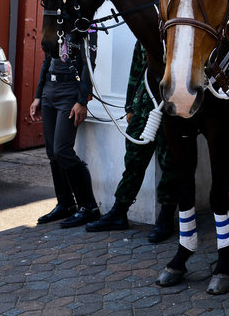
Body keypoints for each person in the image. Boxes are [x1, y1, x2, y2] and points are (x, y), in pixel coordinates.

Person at [85, 42, 178, 243]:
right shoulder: (145, 31)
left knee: (169, 163)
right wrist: (130, 105)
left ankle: (166, 217)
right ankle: (119, 212)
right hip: (143, 105)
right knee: (134, 159)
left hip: (172, 106)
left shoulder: (176, 30)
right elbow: (136, 69)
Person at [28, 30, 101, 227]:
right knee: (52, 153)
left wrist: (82, 100)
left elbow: (89, 64)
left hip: (70, 93)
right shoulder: (54, 24)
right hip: (49, 92)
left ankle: (88, 207)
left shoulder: (86, 26)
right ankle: (65, 203)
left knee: (63, 151)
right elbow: (46, 62)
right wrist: (38, 96)